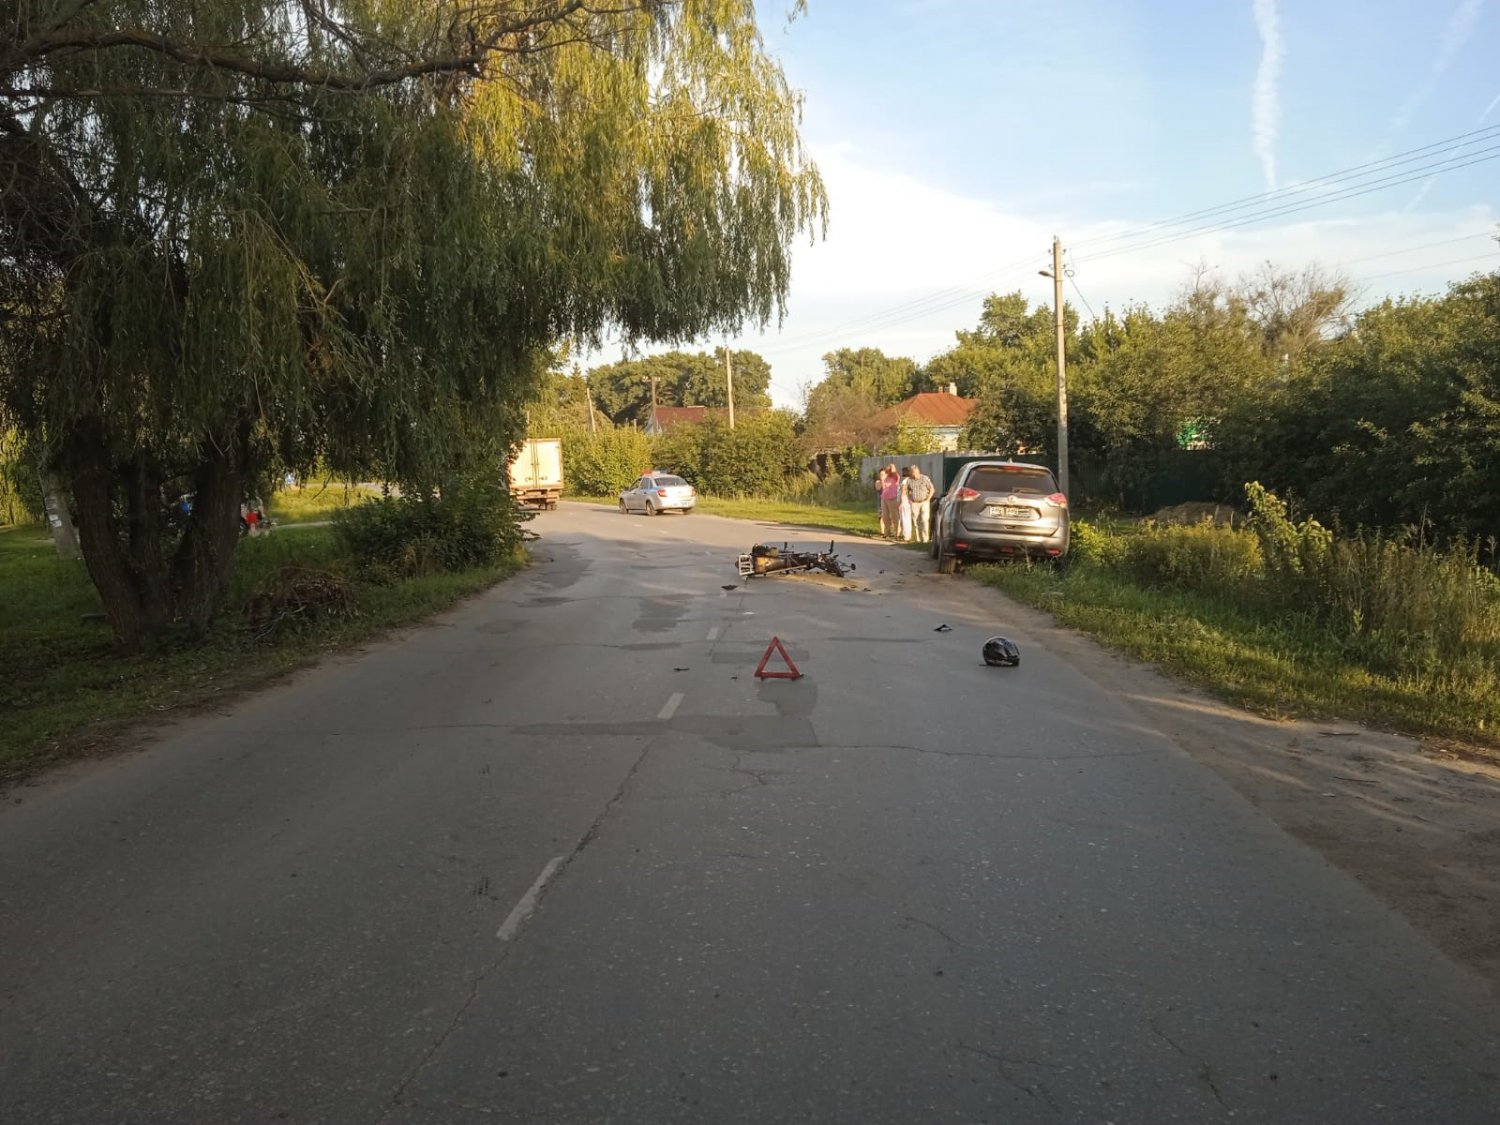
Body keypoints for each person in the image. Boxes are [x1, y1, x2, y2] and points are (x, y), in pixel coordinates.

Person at [903, 464, 935, 542]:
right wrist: (909, 498)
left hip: (924, 501)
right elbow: (905, 490)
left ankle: (925, 539)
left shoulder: (924, 478)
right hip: (914, 503)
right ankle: (919, 539)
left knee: (924, 520)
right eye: (912, 473)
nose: (914, 474)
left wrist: (928, 499)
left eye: (915, 473)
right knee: (916, 521)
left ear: (918, 471)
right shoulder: (909, 480)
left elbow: (932, 489)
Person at [879, 463, 901, 539]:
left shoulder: (895, 477)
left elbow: (894, 471)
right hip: (884, 498)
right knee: (885, 517)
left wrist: (892, 466)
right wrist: (882, 480)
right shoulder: (885, 478)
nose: (887, 472)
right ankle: (887, 532)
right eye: (886, 470)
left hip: (892, 498)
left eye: (888, 470)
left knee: (894, 516)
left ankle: (897, 533)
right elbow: (879, 487)